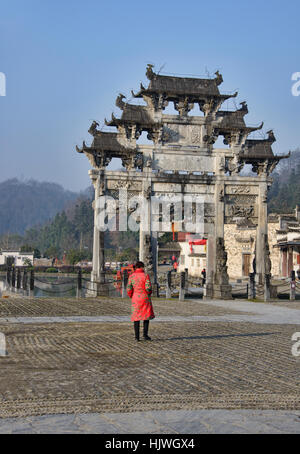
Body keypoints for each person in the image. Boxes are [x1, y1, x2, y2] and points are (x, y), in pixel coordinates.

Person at [127, 261, 155, 342]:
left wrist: (131, 295)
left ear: (136, 267)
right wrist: (149, 293)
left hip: (135, 297)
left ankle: (137, 337)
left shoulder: (132, 276)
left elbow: (129, 288)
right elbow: (148, 288)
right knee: (146, 317)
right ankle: (145, 335)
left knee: (136, 317)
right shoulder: (145, 276)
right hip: (144, 298)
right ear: (142, 267)